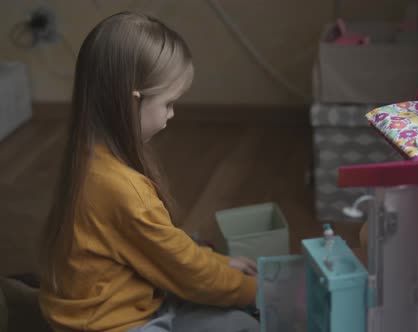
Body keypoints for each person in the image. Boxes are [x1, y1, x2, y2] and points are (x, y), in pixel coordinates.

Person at [38, 12, 259, 332]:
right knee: (243, 326)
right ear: (132, 101)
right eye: (168, 103)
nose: (172, 114)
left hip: (126, 300)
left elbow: (167, 250)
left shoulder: (89, 158)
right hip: (109, 324)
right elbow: (184, 268)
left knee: (203, 264)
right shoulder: (123, 189)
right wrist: (255, 291)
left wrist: (220, 264)